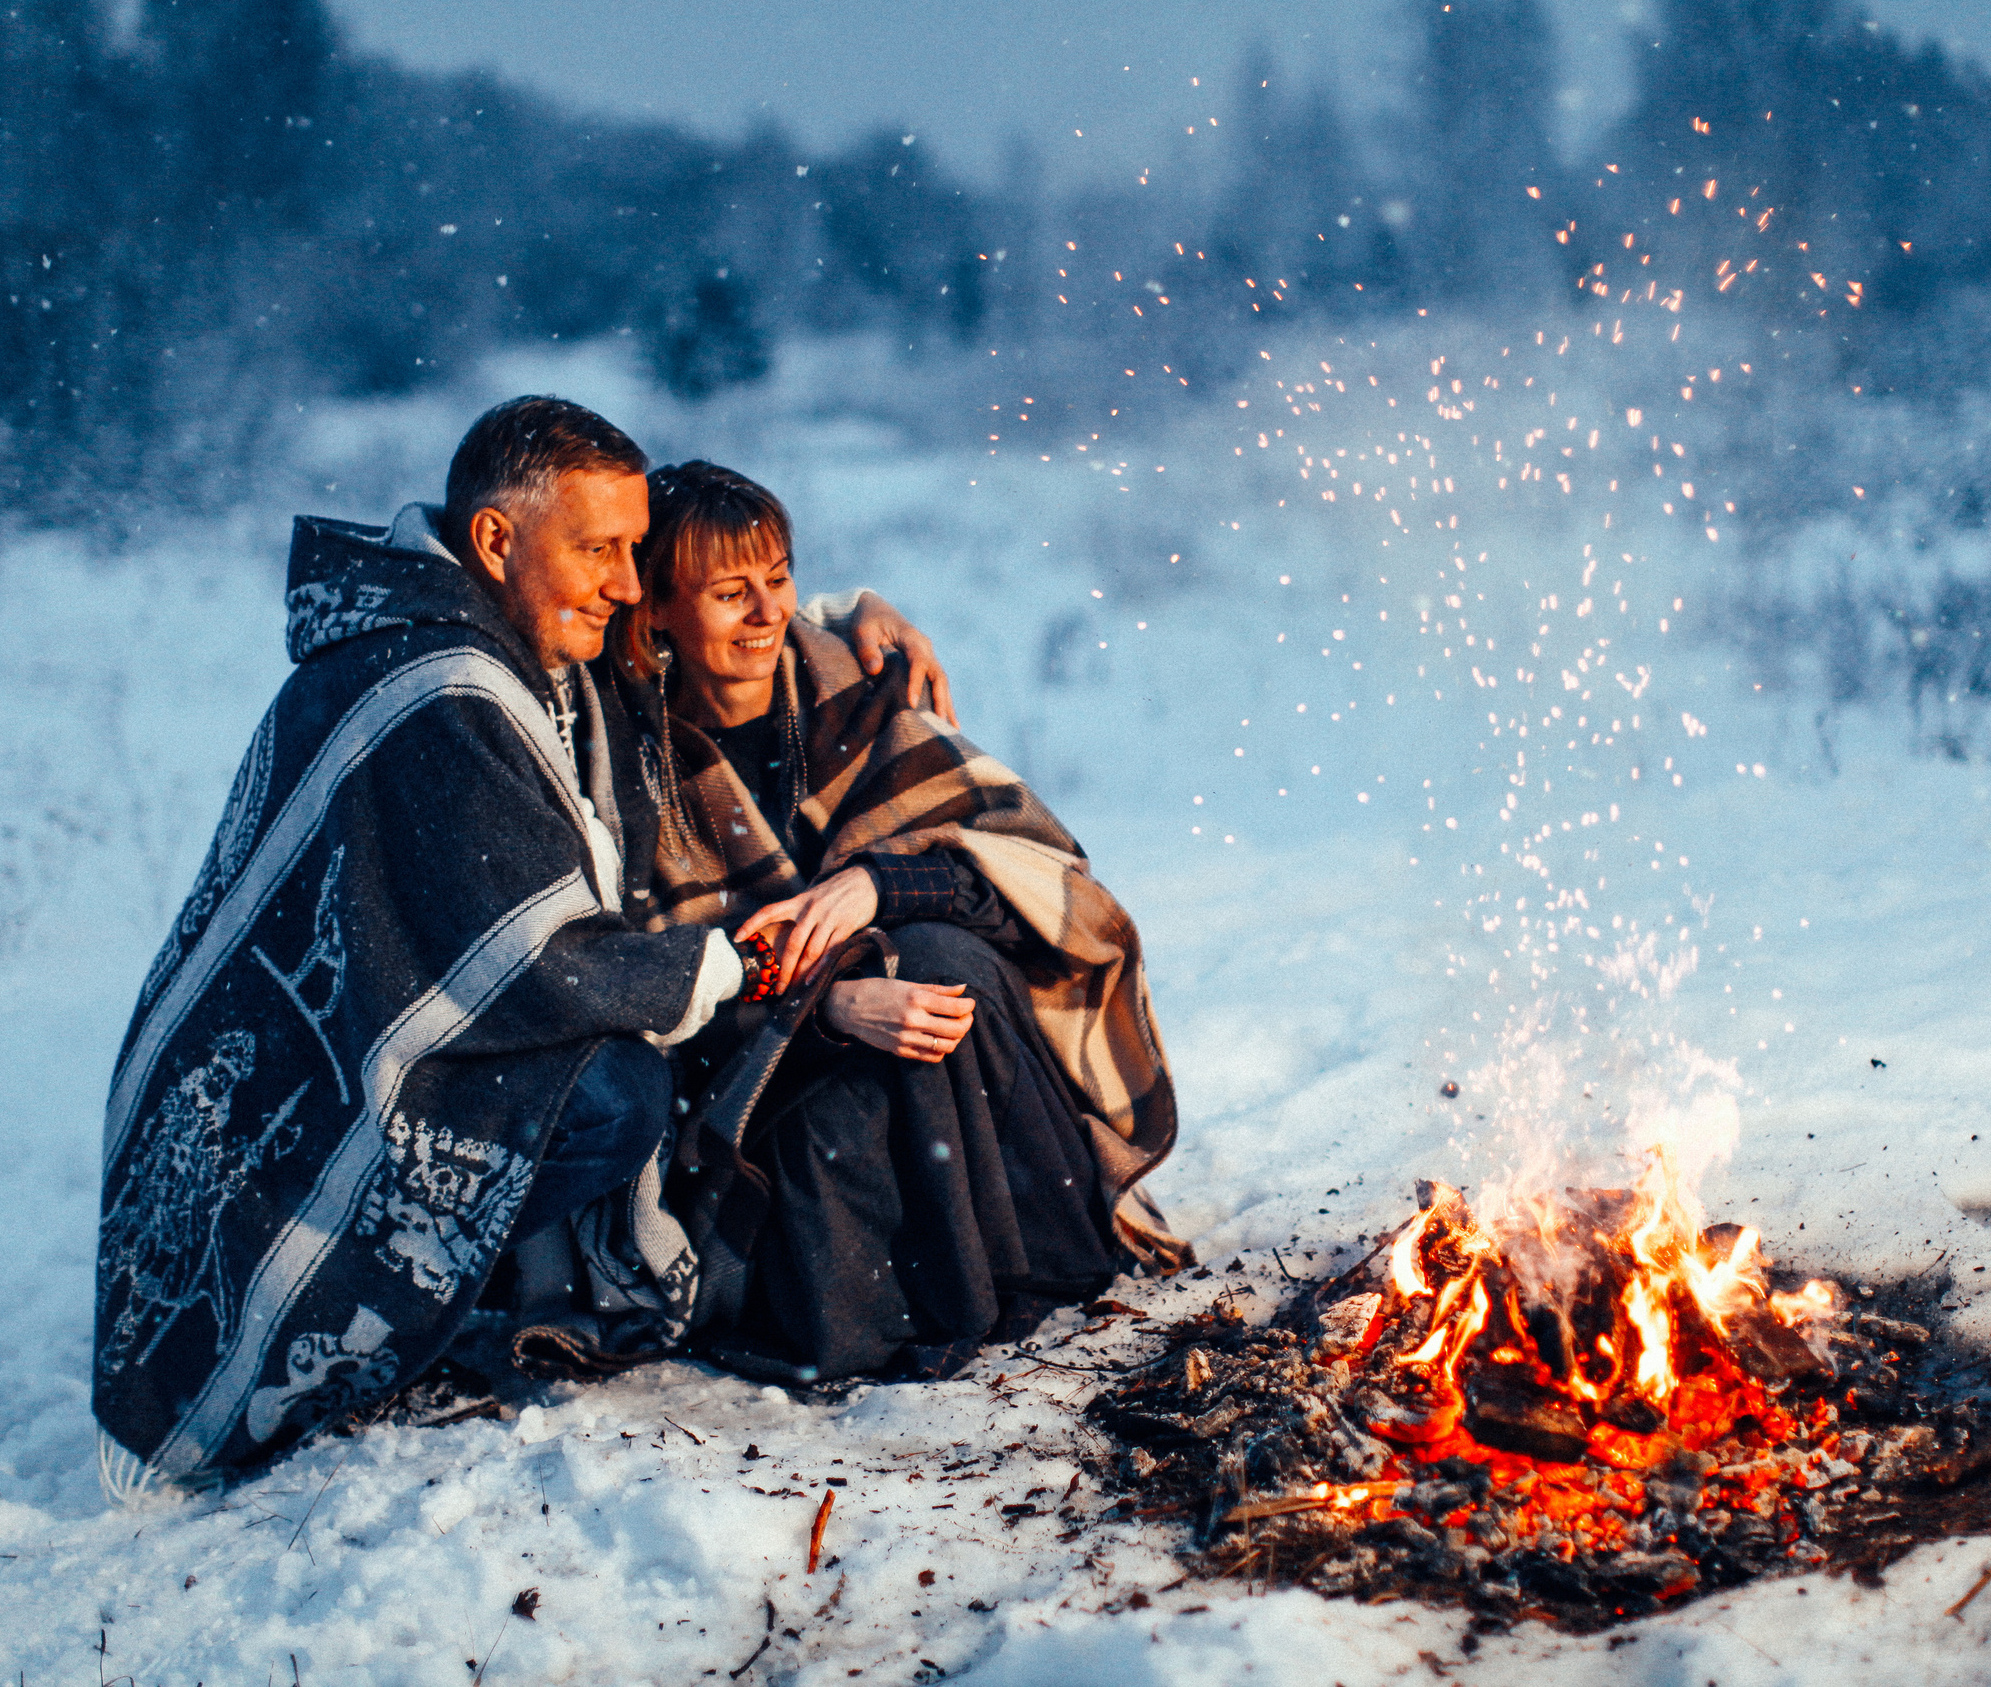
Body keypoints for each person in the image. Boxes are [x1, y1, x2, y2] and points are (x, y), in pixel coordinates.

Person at [91, 398, 949, 1493]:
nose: (629, 584)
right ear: (497, 540)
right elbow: (534, 960)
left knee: (613, 1082)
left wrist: (840, 611)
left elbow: (668, 642)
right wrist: (733, 963)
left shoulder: (498, 626)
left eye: (636, 550)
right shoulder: (438, 688)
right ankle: (397, 1334)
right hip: (292, 1112)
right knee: (609, 1095)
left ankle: (471, 1288)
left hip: (353, 1047)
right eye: (600, 550)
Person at [526, 459, 1190, 1387]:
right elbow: (648, 980)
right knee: (848, 1102)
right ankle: (920, 1301)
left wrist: (877, 886)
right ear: (659, 610)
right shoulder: (629, 769)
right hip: (754, 1079)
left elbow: (1031, 875)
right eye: (729, 592)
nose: (766, 613)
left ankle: (1033, 1261)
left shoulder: (853, 690)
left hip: (922, 1004)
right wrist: (827, 1004)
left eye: (779, 579)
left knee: (943, 956)